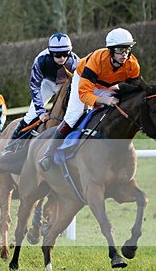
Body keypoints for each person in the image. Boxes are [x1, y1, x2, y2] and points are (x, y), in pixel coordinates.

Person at [39, 27, 141, 171]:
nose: (124, 54)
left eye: (127, 49)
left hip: (106, 85)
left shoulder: (132, 65)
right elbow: (84, 94)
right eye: (120, 50)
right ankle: (48, 154)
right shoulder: (97, 60)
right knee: (74, 116)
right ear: (110, 50)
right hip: (83, 82)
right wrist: (105, 101)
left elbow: (137, 89)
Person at [8, 33, 79, 141]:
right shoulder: (41, 60)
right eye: (57, 55)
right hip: (47, 84)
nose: (62, 58)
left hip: (65, 85)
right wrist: (40, 112)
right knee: (31, 115)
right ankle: (11, 144)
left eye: (65, 54)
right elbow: (35, 86)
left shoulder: (75, 61)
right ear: (51, 53)